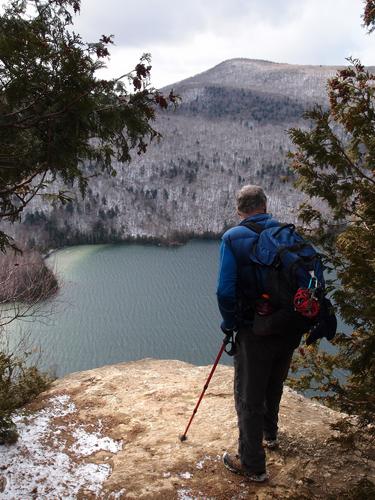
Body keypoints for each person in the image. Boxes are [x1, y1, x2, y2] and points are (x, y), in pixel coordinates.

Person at [217, 185, 303, 482]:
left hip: (255, 329)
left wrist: (230, 323)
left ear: (239, 210)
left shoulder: (233, 238)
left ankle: (253, 465)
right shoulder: (288, 234)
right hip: (290, 325)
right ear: (266, 205)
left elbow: (225, 291)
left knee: (248, 395)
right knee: (274, 382)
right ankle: (270, 434)